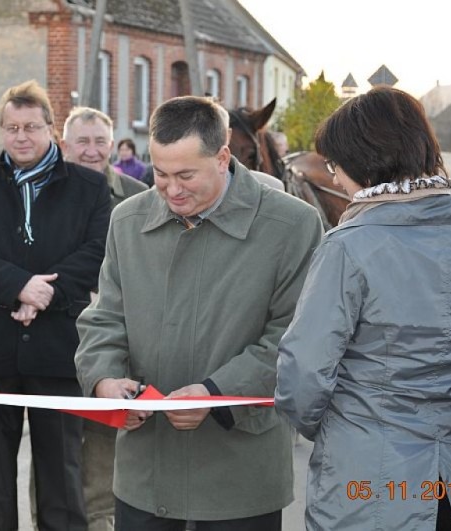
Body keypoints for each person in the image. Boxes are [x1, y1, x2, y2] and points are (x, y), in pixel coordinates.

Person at [74, 95, 322, 530]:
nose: (172, 189)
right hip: (144, 476)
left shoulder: (292, 225)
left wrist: (215, 392)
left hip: (239, 477)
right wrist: (104, 379)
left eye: (186, 175)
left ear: (223, 158)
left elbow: (295, 338)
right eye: (160, 174)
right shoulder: (127, 220)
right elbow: (105, 317)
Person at [275, 86, 451, 530]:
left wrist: (334, 427)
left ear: (363, 162)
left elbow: (303, 372)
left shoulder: (348, 245)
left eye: (335, 165)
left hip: (369, 475)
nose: (336, 179)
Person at [0, 79, 111, 531]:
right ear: (1, 130)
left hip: (59, 346)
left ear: (51, 129)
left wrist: (46, 294)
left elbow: (97, 252)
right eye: (12, 128)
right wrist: (19, 286)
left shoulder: (88, 186)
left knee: (61, 469)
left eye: (31, 127)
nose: (21, 137)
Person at [57, 105, 147, 531]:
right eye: (82, 141)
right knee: (56, 450)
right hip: (56, 338)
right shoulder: (46, 193)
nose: (91, 151)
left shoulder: (137, 195)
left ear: (112, 145)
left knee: (104, 446)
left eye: (99, 141)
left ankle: (100, 521)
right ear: (65, 145)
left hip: (114, 340)